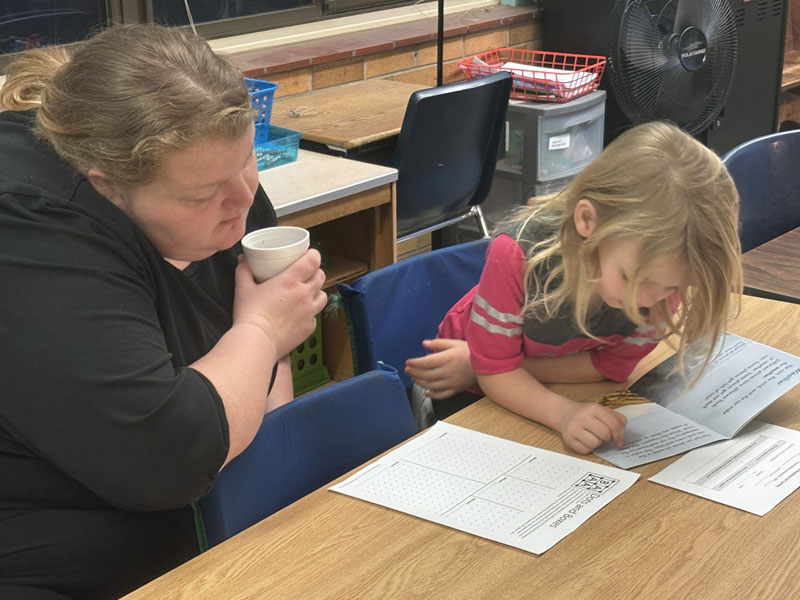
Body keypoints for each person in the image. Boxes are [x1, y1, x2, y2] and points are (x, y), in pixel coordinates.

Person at [0, 24, 327, 600]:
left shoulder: (229, 189)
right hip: (53, 559)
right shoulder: (30, 231)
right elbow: (164, 456)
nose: (244, 201)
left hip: (204, 531)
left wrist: (268, 484)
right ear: (108, 187)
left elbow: (265, 389)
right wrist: (262, 330)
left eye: (249, 161)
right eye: (202, 196)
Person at [405, 121, 743, 452]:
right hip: (456, 385)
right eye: (629, 277)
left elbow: (611, 367)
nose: (643, 301)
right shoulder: (516, 256)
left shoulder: (663, 286)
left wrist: (480, 367)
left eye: (671, 288)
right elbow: (497, 372)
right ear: (587, 222)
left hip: (501, 375)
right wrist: (561, 412)